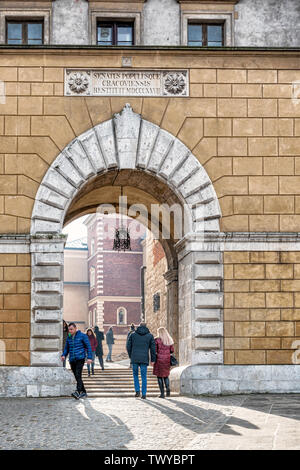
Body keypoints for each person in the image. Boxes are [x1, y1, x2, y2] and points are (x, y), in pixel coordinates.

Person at [61, 322, 93, 399]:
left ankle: (78, 391)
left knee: (78, 374)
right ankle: (84, 392)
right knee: (76, 376)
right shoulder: (69, 337)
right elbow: (66, 348)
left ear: (75, 328)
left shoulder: (83, 336)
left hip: (80, 358)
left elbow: (89, 347)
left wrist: (89, 357)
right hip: (72, 359)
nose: (70, 331)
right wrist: (63, 355)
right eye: (69, 330)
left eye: (71, 329)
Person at [126, 322, 156, 399]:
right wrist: (153, 360)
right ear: (146, 326)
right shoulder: (150, 336)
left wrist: (131, 356)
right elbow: (153, 349)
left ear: (138, 326)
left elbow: (128, 346)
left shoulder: (132, 335)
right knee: (144, 376)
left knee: (135, 375)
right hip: (144, 358)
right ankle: (144, 393)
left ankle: (137, 391)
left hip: (135, 358)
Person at [153, 327, 174, 398]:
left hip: (159, 359)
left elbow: (155, 350)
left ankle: (162, 393)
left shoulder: (157, 340)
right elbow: (172, 350)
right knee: (166, 375)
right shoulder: (169, 340)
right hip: (167, 360)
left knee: (159, 376)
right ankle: (168, 389)